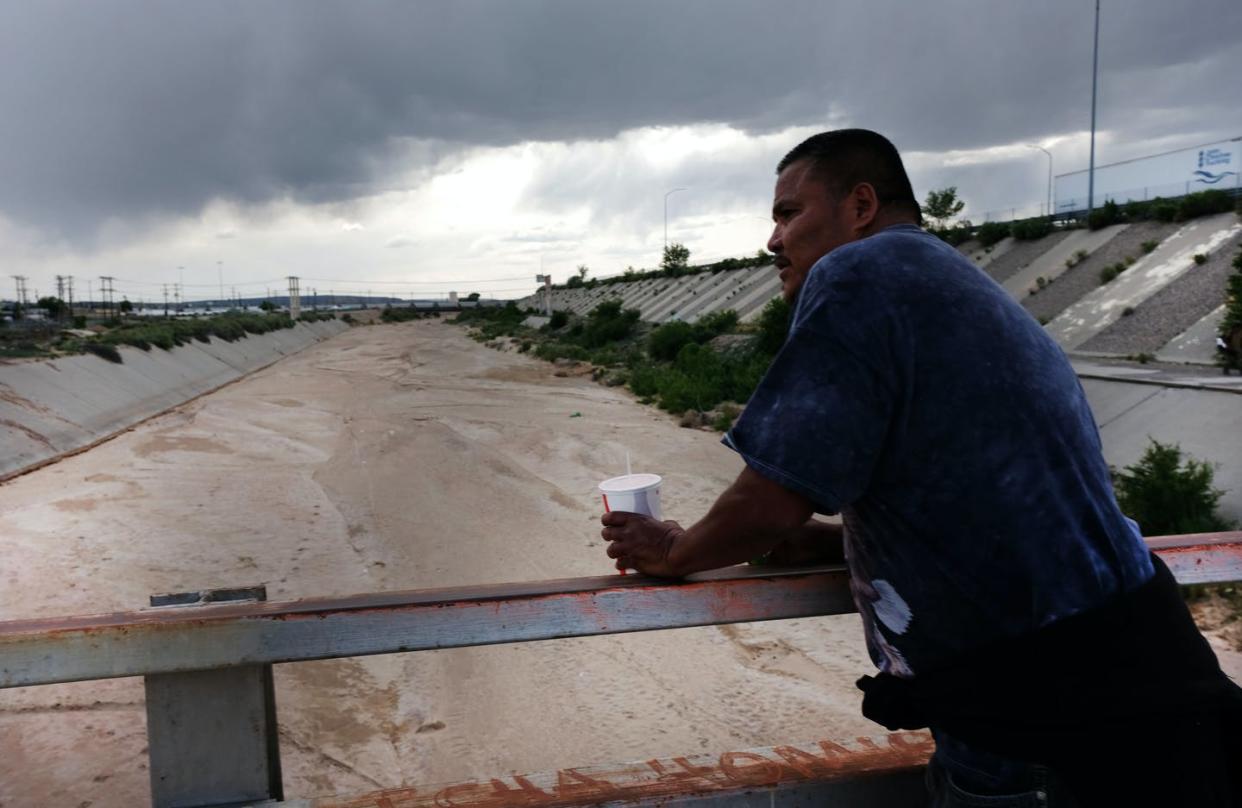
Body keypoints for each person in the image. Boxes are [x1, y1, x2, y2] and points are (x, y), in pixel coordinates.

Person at [600, 129, 1242, 806]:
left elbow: (768, 499)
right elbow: (991, 503)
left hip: (1041, 724)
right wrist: (838, 545)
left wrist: (678, 551)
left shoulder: (858, 275)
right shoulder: (947, 281)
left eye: (789, 213)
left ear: (861, 205)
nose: (773, 240)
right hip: (1142, 681)